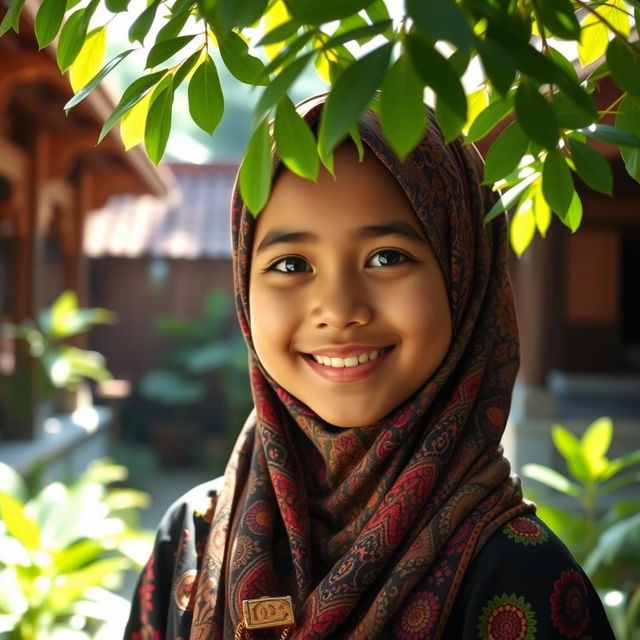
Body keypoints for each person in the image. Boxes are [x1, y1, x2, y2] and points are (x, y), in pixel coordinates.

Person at [124, 94, 615, 640]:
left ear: (464, 276)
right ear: (244, 285)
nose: (338, 309)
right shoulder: (190, 538)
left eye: (387, 257)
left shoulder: (522, 577)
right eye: (291, 264)